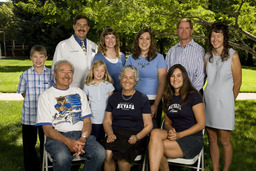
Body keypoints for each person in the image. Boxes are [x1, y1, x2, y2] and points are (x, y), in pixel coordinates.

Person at [36, 60, 105, 171]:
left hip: (81, 135)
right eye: (62, 71)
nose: (67, 75)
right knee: (62, 158)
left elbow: (87, 121)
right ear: (55, 74)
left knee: (100, 153)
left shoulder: (79, 93)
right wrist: (68, 142)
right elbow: (47, 130)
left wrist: (83, 139)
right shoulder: (45, 96)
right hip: (57, 137)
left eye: (70, 72)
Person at [148, 64, 205, 171]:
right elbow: (167, 123)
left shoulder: (193, 96)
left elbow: (201, 124)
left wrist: (179, 135)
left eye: (179, 75)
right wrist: (171, 130)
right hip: (174, 135)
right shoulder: (169, 97)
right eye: (172, 76)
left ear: (184, 77)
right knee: (154, 133)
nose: (175, 79)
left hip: (192, 138)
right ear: (169, 78)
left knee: (155, 146)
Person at [204, 22, 242, 171]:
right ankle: (215, 169)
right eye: (213, 35)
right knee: (212, 139)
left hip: (225, 104)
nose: (215, 39)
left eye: (218, 35)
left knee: (225, 140)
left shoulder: (233, 55)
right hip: (208, 102)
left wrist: (229, 102)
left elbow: (238, 83)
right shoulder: (207, 56)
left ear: (224, 37)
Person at [103, 65, 153, 171]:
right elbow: (107, 121)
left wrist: (137, 137)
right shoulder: (114, 97)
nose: (127, 80)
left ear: (135, 81)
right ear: (120, 79)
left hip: (134, 135)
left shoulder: (142, 98)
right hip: (116, 134)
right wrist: (110, 133)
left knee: (123, 158)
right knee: (108, 153)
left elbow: (149, 125)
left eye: (131, 78)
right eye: (125, 77)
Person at [16, 45, 54, 171]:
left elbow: (54, 92)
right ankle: (31, 167)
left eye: (41, 57)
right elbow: (23, 92)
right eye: (35, 57)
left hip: (46, 116)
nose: (38, 60)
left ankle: (47, 165)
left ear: (46, 58)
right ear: (31, 58)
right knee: (29, 145)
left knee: (47, 143)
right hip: (29, 116)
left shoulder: (50, 75)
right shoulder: (25, 75)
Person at [125, 29, 167, 128]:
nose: (144, 41)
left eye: (147, 39)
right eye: (141, 38)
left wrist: (156, 104)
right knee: (136, 131)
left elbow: (162, 82)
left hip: (153, 100)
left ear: (151, 41)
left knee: (153, 132)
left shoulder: (159, 58)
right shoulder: (131, 58)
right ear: (137, 41)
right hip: (134, 100)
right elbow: (126, 81)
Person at [52, 15, 98, 89]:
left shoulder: (94, 46)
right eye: (78, 25)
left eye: (84, 25)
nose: (81, 28)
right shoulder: (63, 45)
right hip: (70, 88)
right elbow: (55, 69)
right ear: (74, 27)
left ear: (88, 28)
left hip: (91, 89)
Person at [165, 18, 205, 92]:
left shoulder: (199, 50)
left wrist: (188, 94)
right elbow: (168, 74)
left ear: (191, 31)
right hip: (175, 94)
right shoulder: (171, 51)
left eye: (187, 28)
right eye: (181, 28)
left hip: (194, 94)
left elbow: (201, 76)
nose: (184, 31)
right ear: (177, 31)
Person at [83, 60, 115, 142]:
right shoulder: (87, 85)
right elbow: (85, 103)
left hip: (105, 119)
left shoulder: (108, 85)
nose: (99, 73)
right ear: (92, 71)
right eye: (97, 70)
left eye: (102, 70)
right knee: (93, 140)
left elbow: (113, 103)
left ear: (105, 72)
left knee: (103, 140)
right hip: (92, 119)